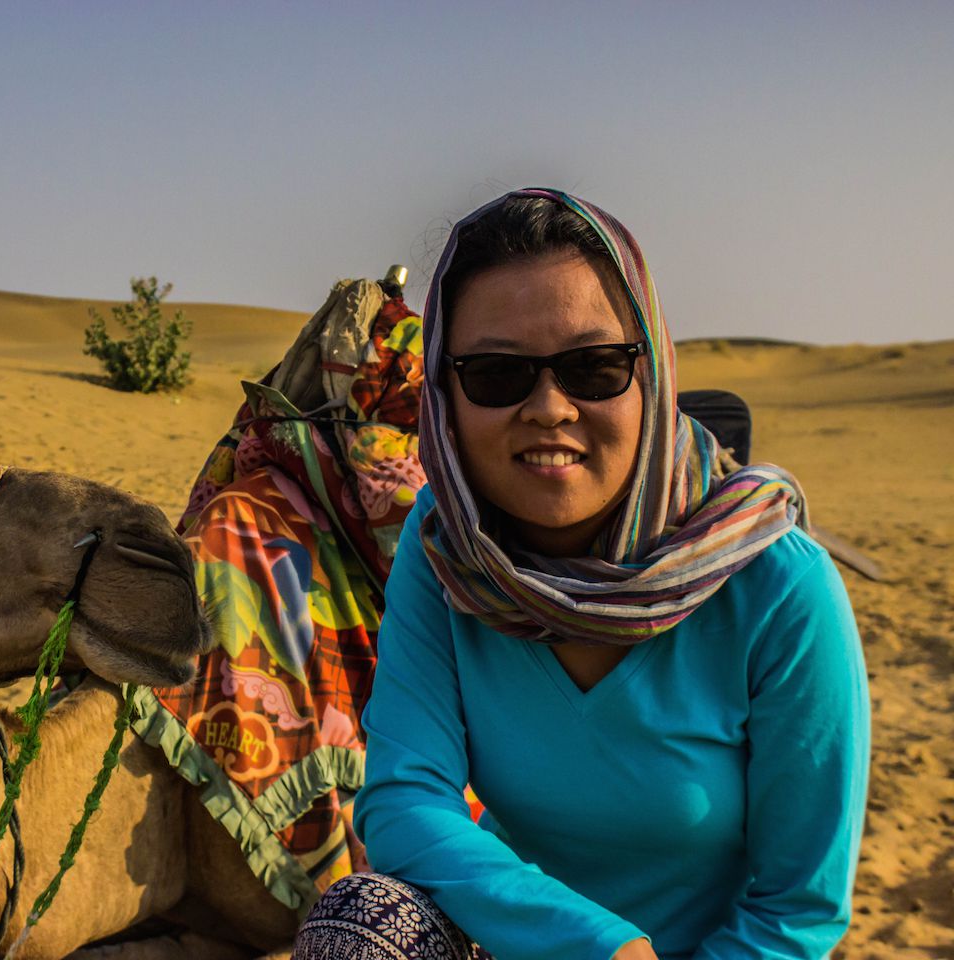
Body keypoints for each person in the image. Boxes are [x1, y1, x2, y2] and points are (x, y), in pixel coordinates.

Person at [291, 189, 870, 960]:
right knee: (358, 926)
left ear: (651, 377)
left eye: (594, 368)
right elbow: (406, 801)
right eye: (498, 375)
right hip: (527, 945)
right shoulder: (448, 560)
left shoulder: (777, 591)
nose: (550, 408)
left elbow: (796, 909)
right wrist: (601, 948)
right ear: (444, 398)